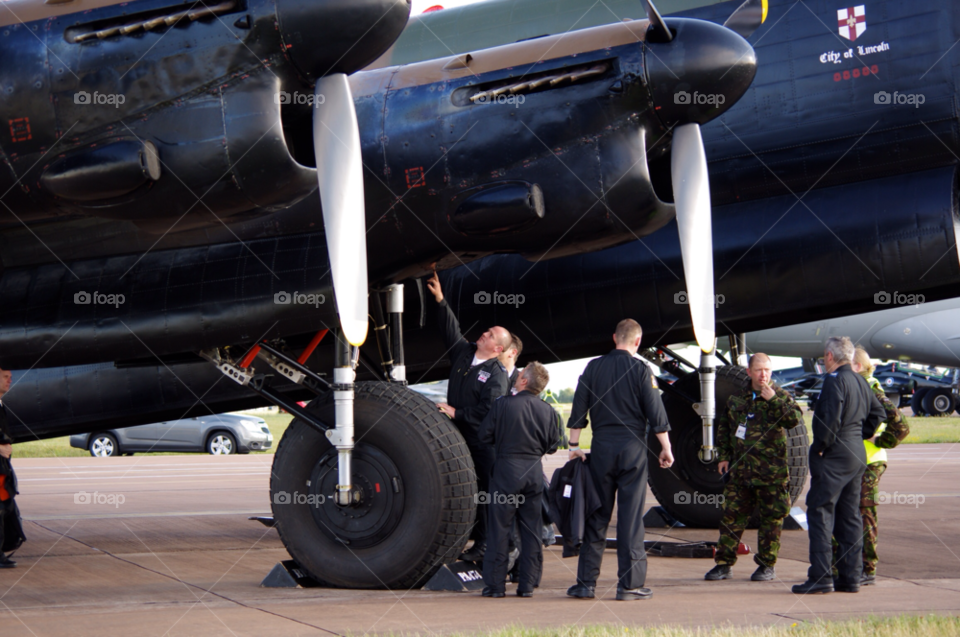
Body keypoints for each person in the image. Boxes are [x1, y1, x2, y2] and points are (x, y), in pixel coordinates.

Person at [565, 319, 674, 601]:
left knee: (597, 515)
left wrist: (574, 445)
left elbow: (579, 408)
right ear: (637, 342)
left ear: (615, 338)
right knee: (629, 519)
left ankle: (586, 584)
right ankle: (629, 586)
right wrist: (666, 448)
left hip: (601, 449)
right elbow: (656, 413)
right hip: (632, 450)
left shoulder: (593, 367)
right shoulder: (641, 369)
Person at [426, 271, 510, 561]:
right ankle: (468, 539)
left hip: (482, 443)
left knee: (484, 493)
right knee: (464, 489)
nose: (483, 334)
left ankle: (485, 544)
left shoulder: (496, 375)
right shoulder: (464, 353)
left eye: (489, 335)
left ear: (497, 349)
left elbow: (489, 410)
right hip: (460, 437)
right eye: (485, 332)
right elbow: (451, 329)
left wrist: (456, 412)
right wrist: (440, 300)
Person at [793, 337, 884, 595]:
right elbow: (878, 414)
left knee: (820, 511)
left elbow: (829, 418)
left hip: (835, 454)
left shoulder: (834, 381)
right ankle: (850, 578)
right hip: (857, 453)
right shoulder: (860, 380)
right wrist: (858, 434)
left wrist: (822, 445)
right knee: (849, 515)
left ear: (830, 357)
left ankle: (821, 577)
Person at [705, 353, 804, 583]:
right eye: (759, 370)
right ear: (749, 372)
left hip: (772, 474)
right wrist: (724, 457)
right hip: (741, 473)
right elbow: (725, 430)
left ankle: (766, 566)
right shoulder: (737, 399)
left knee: (771, 521)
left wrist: (773, 400)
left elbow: (794, 420)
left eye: (767, 370)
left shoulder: (779, 395)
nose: (764, 375)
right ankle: (723, 564)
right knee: (731, 518)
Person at [478, 362, 559, 598]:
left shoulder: (502, 405)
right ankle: (527, 584)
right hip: (533, 472)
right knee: (532, 529)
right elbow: (553, 445)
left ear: (524, 381)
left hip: (506, 470)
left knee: (499, 528)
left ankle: (495, 585)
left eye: (521, 373)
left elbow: (484, 435)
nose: (517, 375)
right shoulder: (548, 410)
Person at [830, 346, 907, 586]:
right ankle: (839, 568)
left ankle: (867, 568)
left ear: (858, 367)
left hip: (870, 462)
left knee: (864, 514)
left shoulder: (871, 389)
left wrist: (879, 441)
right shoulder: (847, 386)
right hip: (847, 461)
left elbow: (901, 427)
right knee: (839, 514)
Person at [0, 368, 20, 568]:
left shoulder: (1, 405)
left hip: (2, 470)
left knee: (5, 509)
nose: (9, 380)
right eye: (5, 377)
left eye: (10, 377)